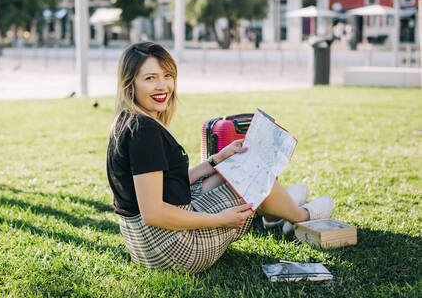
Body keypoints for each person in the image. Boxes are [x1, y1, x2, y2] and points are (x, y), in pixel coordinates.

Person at [106, 42, 334, 273]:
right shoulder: (144, 131)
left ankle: (276, 212)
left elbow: (166, 184)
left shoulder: (128, 121)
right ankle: (300, 215)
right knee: (250, 171)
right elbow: (154, 212)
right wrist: (221, 219)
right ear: (130, 84)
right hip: (175, 249)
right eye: (150, 78)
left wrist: (216, 160)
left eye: (167, 75)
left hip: (145, 246)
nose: (162, 85)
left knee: (230, 167)